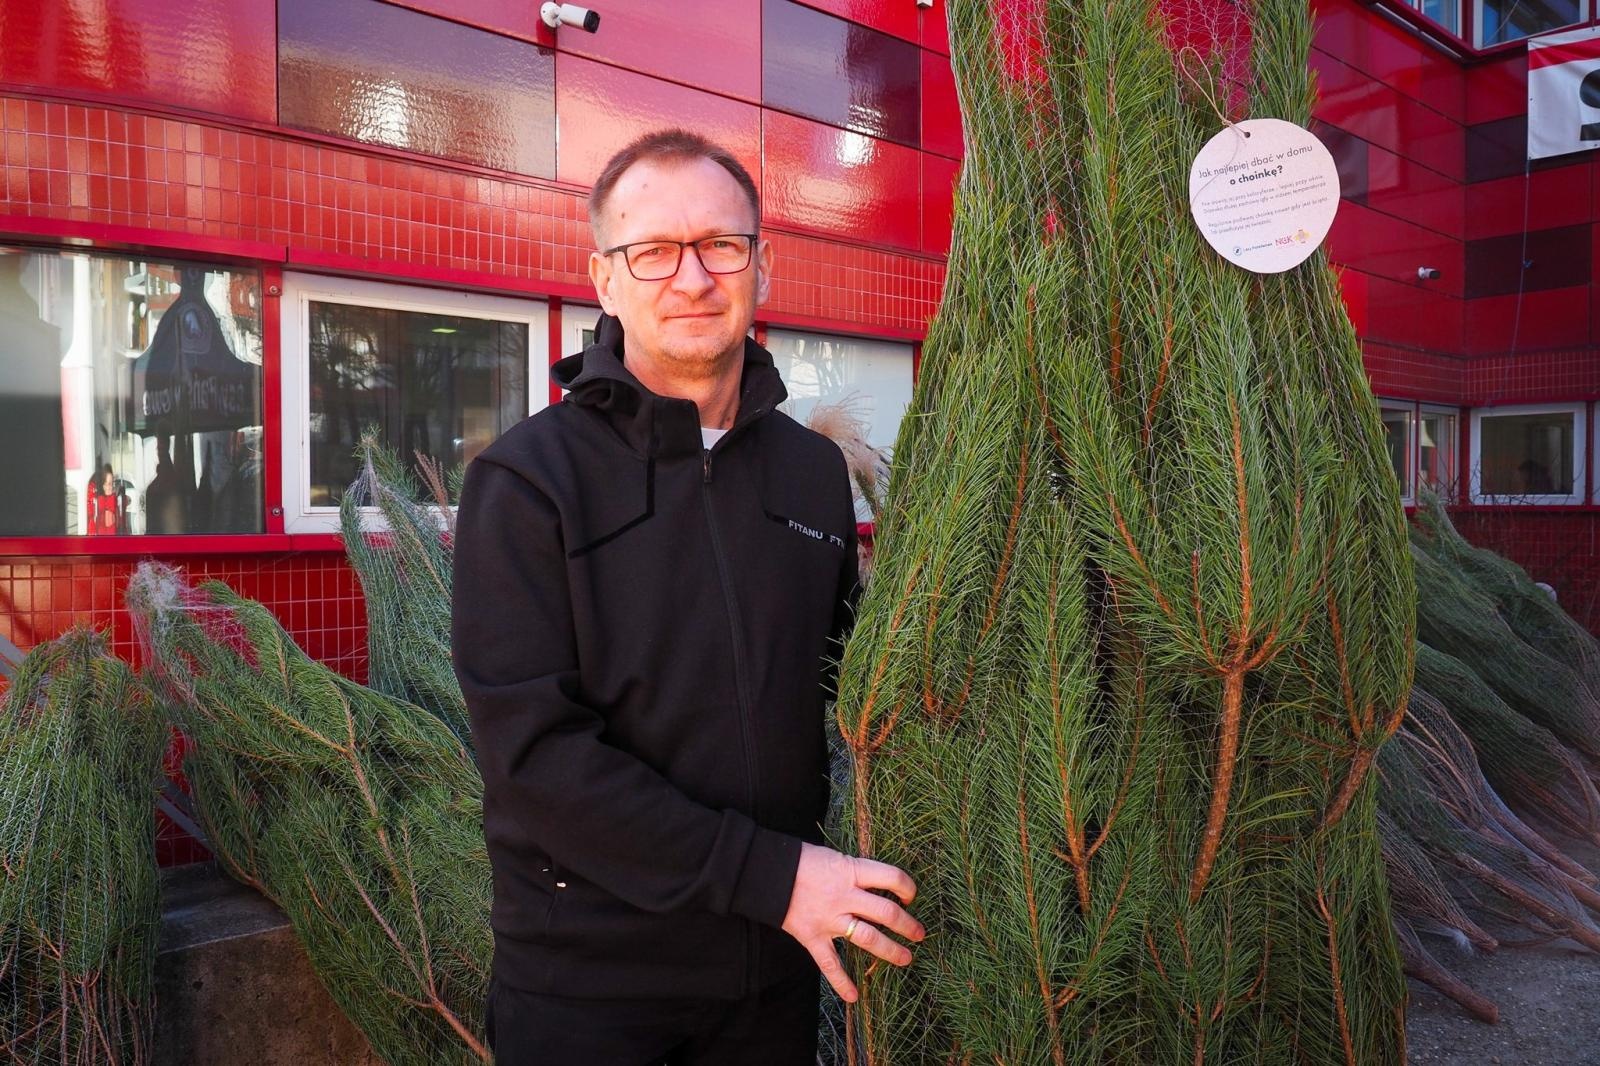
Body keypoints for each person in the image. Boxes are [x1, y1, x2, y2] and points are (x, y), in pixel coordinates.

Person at [451, 129, 923, 1065]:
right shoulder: (529, 482)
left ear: (760, 263)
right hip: (591, 994)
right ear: (604, 277)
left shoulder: (811, 475)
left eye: (721, 245)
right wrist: (778, 877)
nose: (693, 277)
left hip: (771, 984)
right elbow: (538, 762)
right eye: (654, 251)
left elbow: (848, 693)